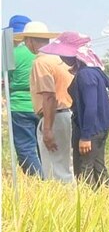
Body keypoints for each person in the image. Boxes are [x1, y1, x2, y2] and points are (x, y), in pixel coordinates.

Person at [39, 32, 109, 188]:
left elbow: (91, 107)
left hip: (91, 129)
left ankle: (88, 205)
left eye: (63, 54)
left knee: (84, 169)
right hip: (99, 127)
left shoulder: (85, 75)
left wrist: (86, 136)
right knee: (97, 167)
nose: (62, 58)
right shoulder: (93, 71)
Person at [27, 22, 75, 183]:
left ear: (30, 41)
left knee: (54, 170)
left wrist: (47, 128)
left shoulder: (40, 62)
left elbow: (48, 96)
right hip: (67, 114)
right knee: (66, 165)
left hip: (53, 117)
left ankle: (63, 205)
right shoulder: (59, 60)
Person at [7, 15, 45, 177]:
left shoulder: (13, 55)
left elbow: (7, 80)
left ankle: (39, 181)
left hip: (19, 107)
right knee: (43, 146)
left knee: (25, 148)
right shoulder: (44, 54)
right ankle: (50, 179)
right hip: (43, 104)